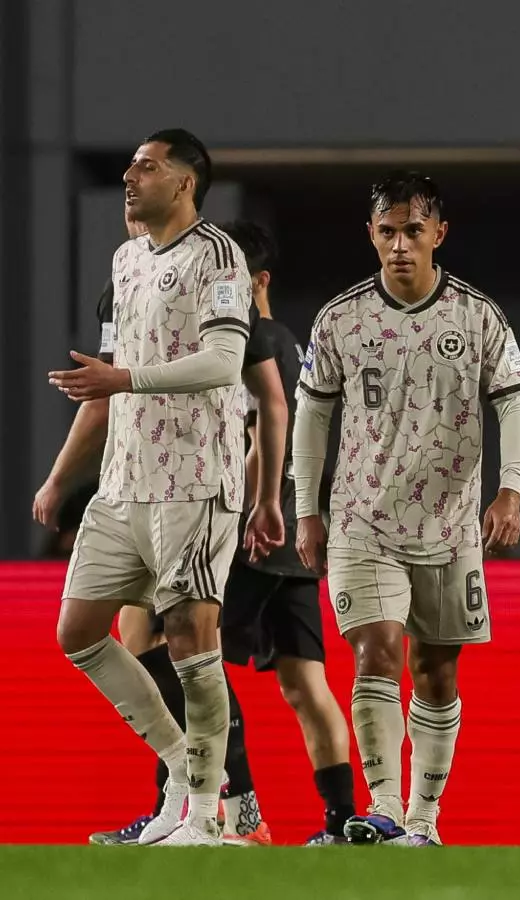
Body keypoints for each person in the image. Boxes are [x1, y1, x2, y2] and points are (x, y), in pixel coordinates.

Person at [292, 172, 520, 846]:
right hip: (363, 520)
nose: (400, 243)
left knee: (437, 668)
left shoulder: (477, 315)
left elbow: (514, 400)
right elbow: (312, 413)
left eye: (413, 230)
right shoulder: (340, 318)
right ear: (371, 234)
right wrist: (304, 507)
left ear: (439, 234)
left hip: (451, 525)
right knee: (376, 651)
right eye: (388, 230)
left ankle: (425, 822)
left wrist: (510, 488)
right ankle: (388, 807)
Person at [46, 128, 271, 846]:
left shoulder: (219, 256)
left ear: (185, 182)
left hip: (195, 481)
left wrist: (125, 380)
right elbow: (108, 378)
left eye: (146, 166)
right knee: (78, 633)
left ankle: (207, 815)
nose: (128, 176)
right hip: (122, 484)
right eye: (129, 166)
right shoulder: (126, 259)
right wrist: (59, 477)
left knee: (188, 640)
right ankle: (182, 767)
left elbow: (222, 361)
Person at [213, 220, 359, 844]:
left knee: (189, 659)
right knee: (305, 683)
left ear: (259, 280)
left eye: (228, 274)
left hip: (258, 529)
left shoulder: (255, 339)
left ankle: (242, 812)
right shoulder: (296, 345)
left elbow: (260, 435)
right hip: (300, 533)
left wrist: (250, 507)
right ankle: (343, 820)